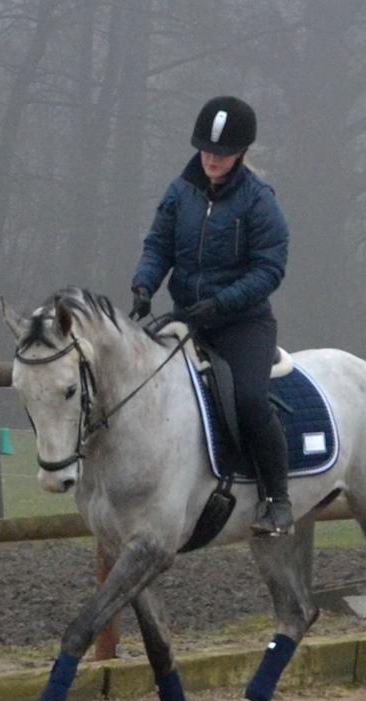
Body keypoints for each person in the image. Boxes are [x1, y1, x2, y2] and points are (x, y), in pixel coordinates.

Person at [130, 95, 292, 536]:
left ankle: (277, 500)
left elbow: (269, 268)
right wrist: (144, 284)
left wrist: (223, 302)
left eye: (220, 154)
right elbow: (158, 244)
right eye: (206, 150)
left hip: (243, 322)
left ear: (240, 153)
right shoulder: (179, 191)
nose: (211, 160)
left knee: (250, 400)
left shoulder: (259, 200)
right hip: (189, 316)